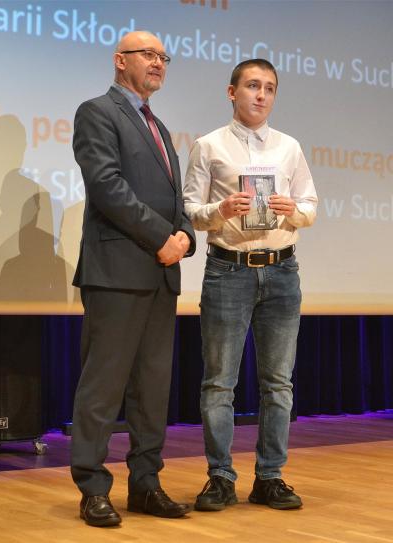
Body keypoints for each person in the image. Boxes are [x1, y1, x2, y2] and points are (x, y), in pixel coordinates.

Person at [71, 31, 195, 527]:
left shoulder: (159, 127)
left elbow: (176, 198)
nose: (158, 62)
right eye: (148, 54)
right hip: (117, 273)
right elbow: (106, 186)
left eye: (164, 56)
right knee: (102, 388)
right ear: (120, 60)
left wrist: (185, 235)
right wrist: (162, 237)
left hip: (161, 275)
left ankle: (146, 484)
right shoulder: (97, 112)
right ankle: (92, 488)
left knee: (152, 389)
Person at [183, 58, 317, 511]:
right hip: (229, 271)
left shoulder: (289, 147)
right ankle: (220, 476)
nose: (261, 95)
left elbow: (310, 205)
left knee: (278, 383)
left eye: (269, 88)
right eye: (253, 86)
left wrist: (294, 210)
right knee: (219, 383)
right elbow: (189, 209)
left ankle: (270, 477)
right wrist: (219, 211)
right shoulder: (208, 146)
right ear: (232, 92)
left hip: (282, 271)